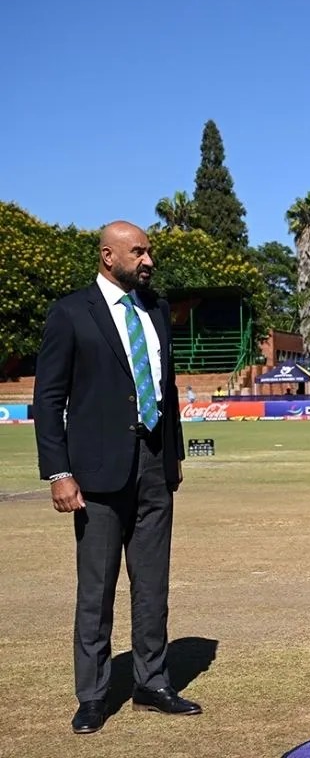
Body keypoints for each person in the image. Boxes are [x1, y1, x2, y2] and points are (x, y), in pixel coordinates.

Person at [31, 220, 200, 735]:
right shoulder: (70, 312)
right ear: (109, 256)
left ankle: (153, 683)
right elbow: (48, 399)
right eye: (139, 252)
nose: (149, 261)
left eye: (149, 252)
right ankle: (93, 695)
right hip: (97, 474)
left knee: (152, 586)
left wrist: (173, 456)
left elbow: (166, 387)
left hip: (154, 467)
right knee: (96, 589)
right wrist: (59, 472)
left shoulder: (156, 309)